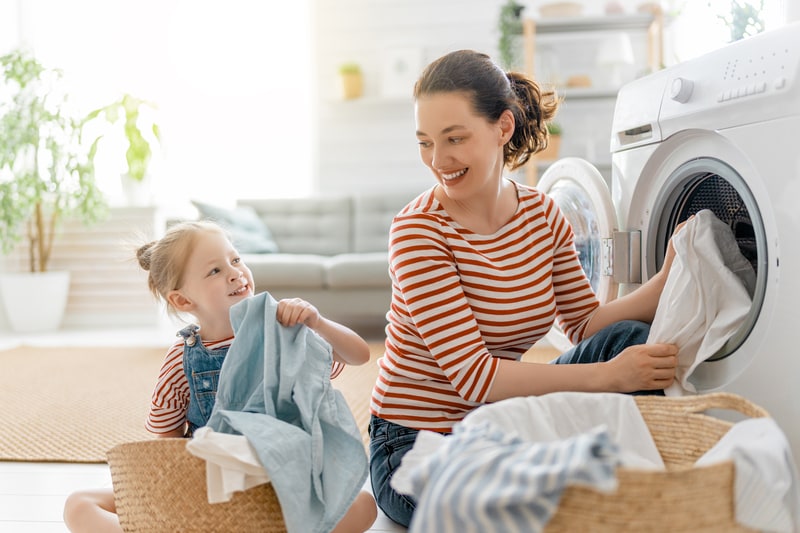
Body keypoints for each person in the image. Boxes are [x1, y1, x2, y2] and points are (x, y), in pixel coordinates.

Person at [368, 49, 681, 527]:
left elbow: (582, 325)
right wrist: (609, 378)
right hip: (416, 442)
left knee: (627, 341)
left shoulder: (541, 215)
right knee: (519, 510)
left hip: (503, 421)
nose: (437, 160)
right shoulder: (417, 232)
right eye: (425, 142)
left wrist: (668, 277)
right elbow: (476, 378)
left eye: (455, 139)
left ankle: (668, 477)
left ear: (503, 128)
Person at [64, 220, 377, 533]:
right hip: (205, 484)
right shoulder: (180, 359)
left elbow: (359, 355)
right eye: (215, 270)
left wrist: (317, 322)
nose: (235, 272)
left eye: (236, 259)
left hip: (278, 483)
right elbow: (165, 441)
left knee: (363, 505)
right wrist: (172, 496)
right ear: (183, 301)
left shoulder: (285, 332)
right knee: (79, 504)